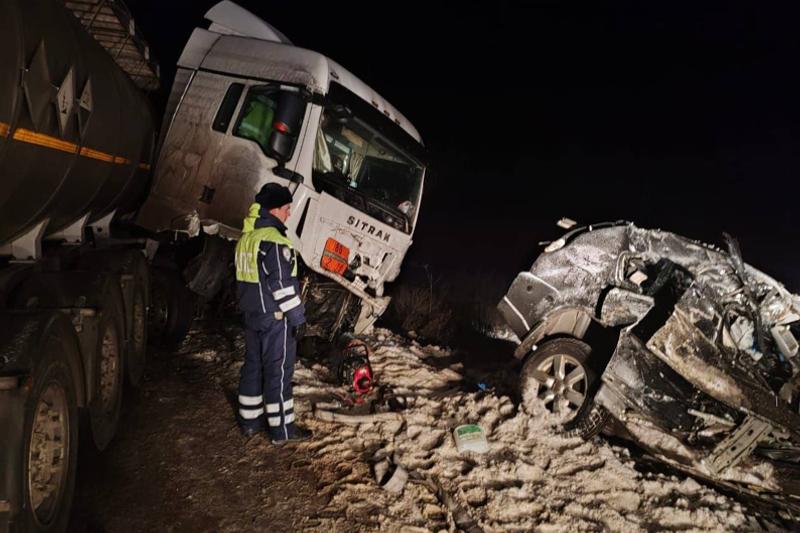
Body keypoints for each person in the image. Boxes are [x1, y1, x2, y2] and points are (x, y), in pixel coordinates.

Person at [234, 182, 312, 444]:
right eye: (287, 208)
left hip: (252, 316)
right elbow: (282, 285)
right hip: (275, 318)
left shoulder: (246, 239)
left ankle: (250, 422)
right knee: (278, 373)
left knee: (252, 367)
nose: (289, 213)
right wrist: (298, 318)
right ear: (275, 209)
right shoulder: (275, 242)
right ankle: (282, 432)